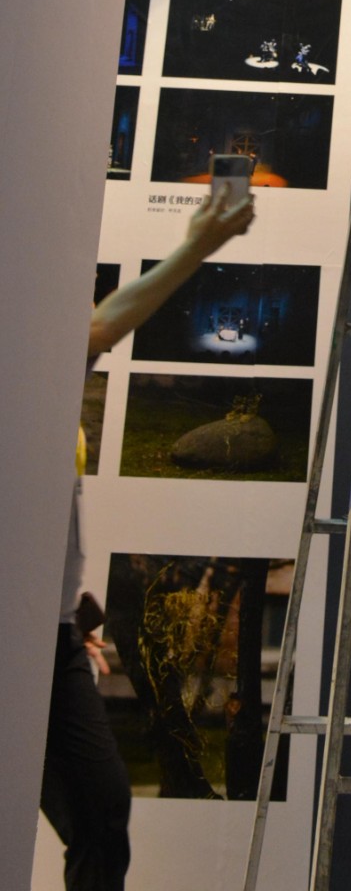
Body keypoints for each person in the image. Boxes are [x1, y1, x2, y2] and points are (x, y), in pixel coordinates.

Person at [40, 187, 255, 890]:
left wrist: (68, 614)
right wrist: (198, 245)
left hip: (55, 637)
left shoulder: (47, 389)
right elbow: (103, 326)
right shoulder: (33, 369)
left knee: (103, 812)